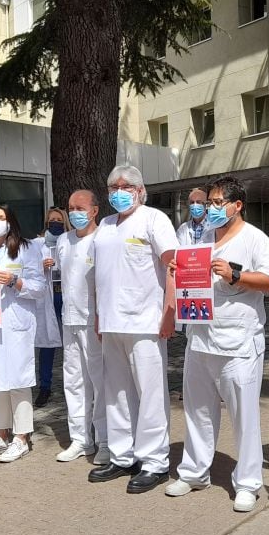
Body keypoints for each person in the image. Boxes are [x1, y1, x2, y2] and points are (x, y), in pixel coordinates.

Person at [166, 176, 269, 513]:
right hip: (200, 338)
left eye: (218, 203)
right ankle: (194, 471)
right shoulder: (201, 238)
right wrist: (180, 269)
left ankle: (247, 482)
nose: (212, 209)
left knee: (244, 417)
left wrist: (235, 275)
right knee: (198, 410)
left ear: (237, 206)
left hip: (238, 342)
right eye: (210, 202)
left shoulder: (254, 240)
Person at [89, 164, 178, 493]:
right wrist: (99, 315)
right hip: (111, 324)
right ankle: (122, 455)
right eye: (113, 186)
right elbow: (102, 275)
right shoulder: (106, 226)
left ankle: (155, 461)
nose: (119, 191)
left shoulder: (155, 219)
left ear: (140, 190)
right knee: (117, 393)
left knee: (150, 394)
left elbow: (173, 265)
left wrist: (170, 311)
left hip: (146, 322)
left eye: (126, 186)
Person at [0, 202, 46, 463]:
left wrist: (16, 281)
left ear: (10, 221)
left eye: (0, 217)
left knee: (18, 379)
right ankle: (0, 434)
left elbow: (39, 288)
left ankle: (21, 437)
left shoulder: (27, 249)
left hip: (15, 323)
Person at [54, 189, 109, 464]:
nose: (74, 212)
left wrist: (101, 315)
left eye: (80, 207)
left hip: (94, 321)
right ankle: (80, 439)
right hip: (70, 319)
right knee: (74, 380)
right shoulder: (63, 241)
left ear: (94, 210)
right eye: (70, 208)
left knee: (100, 381)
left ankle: (105, 440)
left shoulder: (103, 238)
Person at [33, 207, 67, 407]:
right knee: (46, 346)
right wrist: (41, 266)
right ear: (46, 222)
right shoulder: (37, 244)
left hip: (67, 297)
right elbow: (26, 267)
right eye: (52, 219)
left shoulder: (71, 241)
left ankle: (76, 385)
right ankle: (45, 386)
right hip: (48, 297)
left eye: (59, 220)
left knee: (73, 347)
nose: (55, 223)